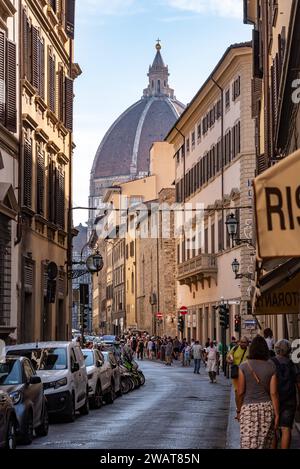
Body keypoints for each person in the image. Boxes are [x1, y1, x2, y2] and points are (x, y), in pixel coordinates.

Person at [237, 335, 279, 449]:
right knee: (264, 444)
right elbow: (274, 393)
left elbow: (240, 392)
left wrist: (239, 410)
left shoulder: (244, 366)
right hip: (266, 408)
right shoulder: (271, 367)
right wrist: (277, 414)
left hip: (248, 409)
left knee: (247, 443)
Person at [271, 339, 300, 449]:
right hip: (289, 399)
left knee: (273, 428)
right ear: (288, 350)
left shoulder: (271, 362)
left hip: (274, 399)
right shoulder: (292, 364)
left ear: (277, 349)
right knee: (286, 428)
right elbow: (298, 383)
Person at [227, 337, 249, 418]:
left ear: (247, 343)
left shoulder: (249, 350)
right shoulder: (235, 348)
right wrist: (230, 361)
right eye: (241, 342)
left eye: (244, 342)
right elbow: (228, 358)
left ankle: (243, 409)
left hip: (246, 374)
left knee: (244, 392)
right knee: (237, 393)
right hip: (236, 373)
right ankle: (239, 410)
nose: (242, 344)